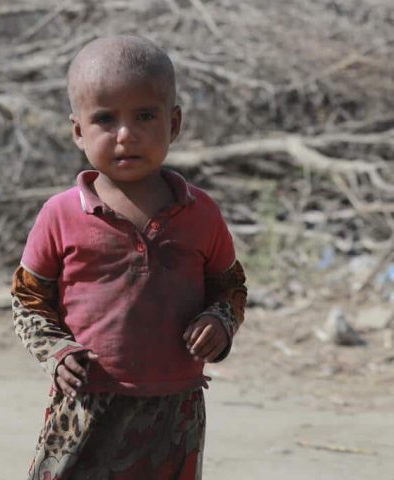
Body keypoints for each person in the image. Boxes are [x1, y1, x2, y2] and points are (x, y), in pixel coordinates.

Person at [12, 35, 247, 479]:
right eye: (105, 118)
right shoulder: (60, 215)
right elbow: (27, 300)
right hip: (85, 404)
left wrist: (220, 321)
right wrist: (56, 352)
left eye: (144, 115)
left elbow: (230, 285)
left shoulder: (200, 214)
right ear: (78, 131)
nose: (126, 134)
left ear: (173, 123)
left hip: (175, 408)